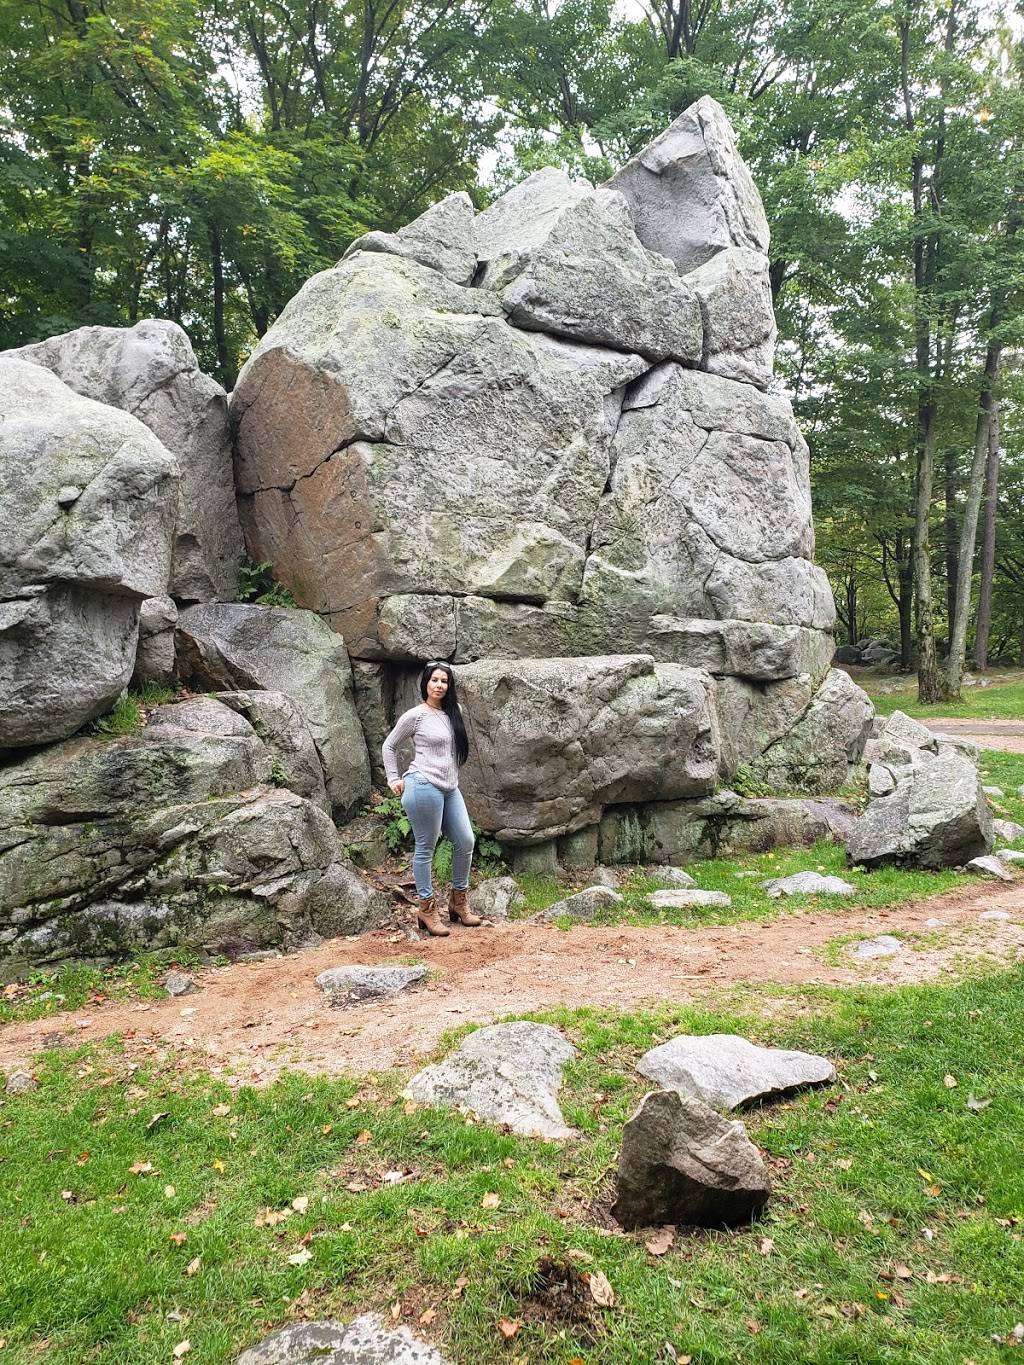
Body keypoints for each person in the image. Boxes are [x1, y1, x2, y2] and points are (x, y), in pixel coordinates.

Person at [381, 660, 481, 937]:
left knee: (465, 841)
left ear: (450, 686)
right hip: (423, 784)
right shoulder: (416, 715)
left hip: (450, 788)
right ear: (425, 683)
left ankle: (458, 903)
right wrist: (393, 779)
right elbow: (389, 746)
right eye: (434, 680)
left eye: (444, 681)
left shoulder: (454, 712)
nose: (439, 685)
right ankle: (426, 909)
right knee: (426, 846)